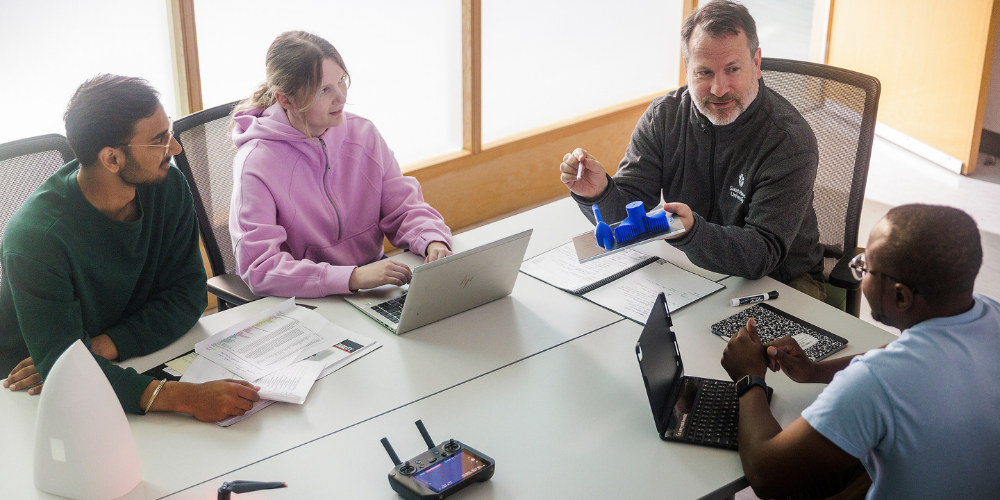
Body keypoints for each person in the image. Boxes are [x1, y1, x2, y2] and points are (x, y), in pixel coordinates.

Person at [1, 75, 260, 422]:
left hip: (113, 361)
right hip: (30, 393)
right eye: (158, 140)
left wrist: (100, 347)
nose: (175, 149)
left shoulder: (168, 185)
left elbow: (188, 296)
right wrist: (187, 398)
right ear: (111, 159)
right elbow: (63, 369)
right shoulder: (36, 239)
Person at [720, 204, 1000, 499]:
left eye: (864, 269)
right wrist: (814, 371)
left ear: (901, 295)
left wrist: (749, 379)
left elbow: (767, 477)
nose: (860, 275)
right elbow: (900, 351)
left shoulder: (876, 382)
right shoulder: (988, 311)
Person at [559, 0, 825, 300]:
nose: (719, 88)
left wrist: (692, 233)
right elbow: (627, 214)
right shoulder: (665, 117)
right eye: (704, 73)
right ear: (687, 68)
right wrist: (598, 192)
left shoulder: (788, 141)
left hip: (780, 281)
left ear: (757, 63)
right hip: (692, 263)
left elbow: (761, 252)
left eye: (732, 69)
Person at [230, 31, 452, 298]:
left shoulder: (363, 133)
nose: (341, 98)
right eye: (324, 90)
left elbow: (403, 206)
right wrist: (353, 277)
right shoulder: (256, 164)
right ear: (285, 99)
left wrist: (432, 239)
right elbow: (260, 268)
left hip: (373, 290)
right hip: (305, 302)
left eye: (341, 82)